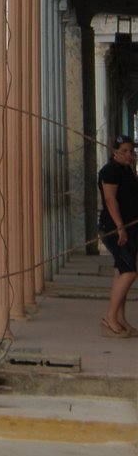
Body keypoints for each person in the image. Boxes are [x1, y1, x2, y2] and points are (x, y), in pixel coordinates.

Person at [97, 137, 138, 338]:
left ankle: (120, 319)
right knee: (129, 272)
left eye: (131, 150)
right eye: (125, 150)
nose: (129, 154)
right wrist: (120, 228)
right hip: (114, 229)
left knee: (121, 271)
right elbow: (110, 199)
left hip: (128, 229)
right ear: (115, 152)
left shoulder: (126, 171)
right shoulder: (110, 171)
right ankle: (110, 317)